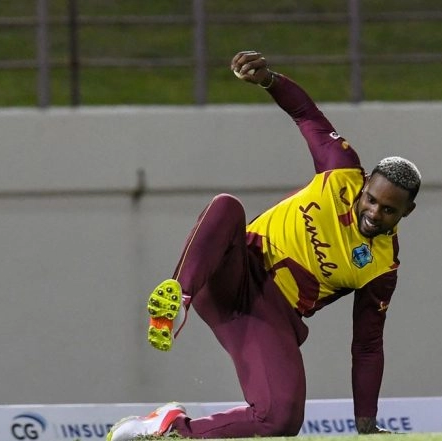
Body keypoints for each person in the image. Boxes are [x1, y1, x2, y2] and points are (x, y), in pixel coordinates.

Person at [107, 50, 421, 441]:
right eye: (371, 199)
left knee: (281, 420)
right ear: (364, 184)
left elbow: (367, 345)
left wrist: (367, 425)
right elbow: (306, 113)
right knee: (227, 207)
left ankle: (170, 429)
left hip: (267, 316)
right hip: (229, 271)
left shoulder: (382, 267)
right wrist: (269, 80)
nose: (374, 212)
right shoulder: (340, 171)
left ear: (406, 213)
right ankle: (178, 299)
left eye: (389, 210)